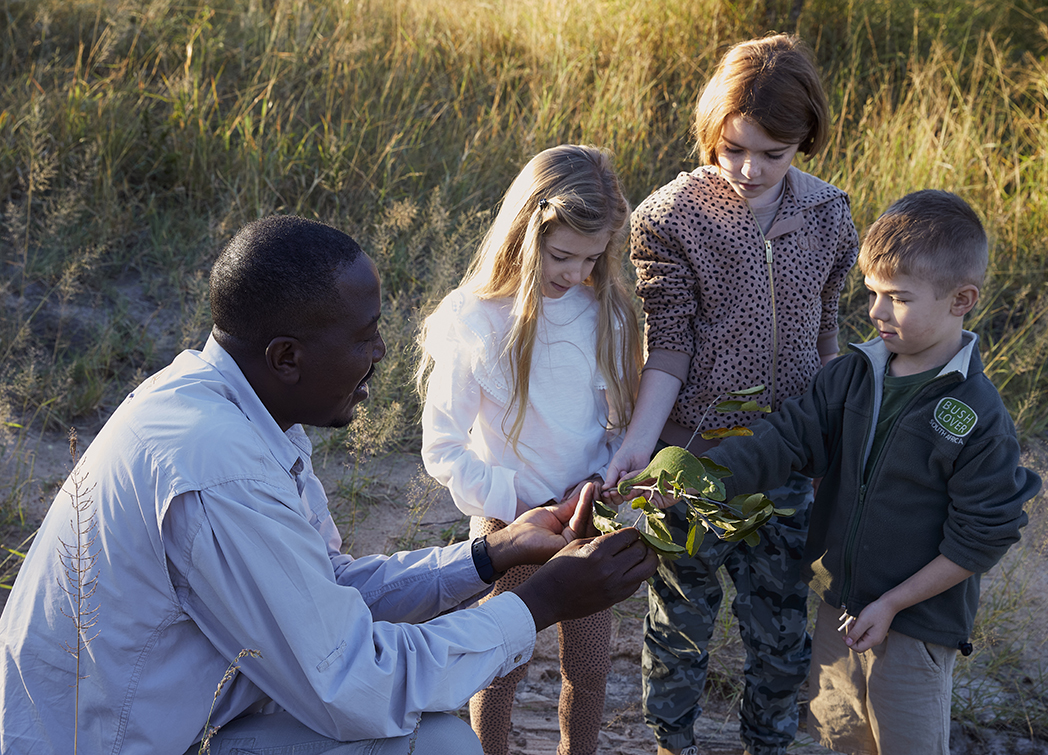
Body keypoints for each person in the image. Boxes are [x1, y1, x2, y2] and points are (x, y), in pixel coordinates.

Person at [0, 215, 659, 755]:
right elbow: (354, 682)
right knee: (437, 747)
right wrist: (542, 601)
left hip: (162, 725)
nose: (380, 354)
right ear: (286, 356)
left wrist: (491, 554)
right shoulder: (218, 468)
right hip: (112, 744)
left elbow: (326, 589)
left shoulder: (230, 406)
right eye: (364, 337)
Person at [703, 189, 1041, 754]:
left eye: (898, 298)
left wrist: (893, 604)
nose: (877, 312)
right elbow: (785, 440)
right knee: (840, 739)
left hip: (915, 625)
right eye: (872, 293)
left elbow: (983, 535)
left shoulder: (978, 414)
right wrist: (697, 478)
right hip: (840, 609)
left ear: (961, 300)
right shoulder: (853, 375)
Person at [602, 33, 859, 755]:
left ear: (806, 139)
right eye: (732, 149)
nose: (750, 169)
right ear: (711, 131)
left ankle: (767, 743)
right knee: (679, 624)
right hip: (695, 458)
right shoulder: (670, 218)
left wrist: (833, 436)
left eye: (773, 154)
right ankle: (670, 744)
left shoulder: (829, 214)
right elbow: (668, 347)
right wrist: (638, 445)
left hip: (789, 458)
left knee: (780, 632)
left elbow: (827, 334)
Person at [417, 144, 642, 755]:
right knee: (500, 664)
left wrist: (600, 481)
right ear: (524, 234)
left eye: (592, 257)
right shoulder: (475, 320)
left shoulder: (605, 314)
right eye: (561, 256)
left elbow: (617, 426)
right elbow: (442, 446)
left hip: (585, 518)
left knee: (590, 669)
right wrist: (514, 505)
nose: (576, 273)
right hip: (508, 525)